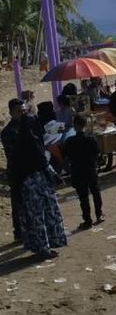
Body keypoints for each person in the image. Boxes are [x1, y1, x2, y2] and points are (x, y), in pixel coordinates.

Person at [1, 99, 67, 258]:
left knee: (48, 212)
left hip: (40, 176)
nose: (22, 114)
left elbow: (40, 152)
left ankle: (47, 244)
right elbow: (17, 158)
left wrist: (51, 173)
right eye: (19, 111)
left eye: (24, 111)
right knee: (35, 215)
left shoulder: (31, 127)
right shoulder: (10, 133)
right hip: (26, 179)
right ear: (11, 112)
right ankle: (42, 248)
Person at [62, 115, 104, 230]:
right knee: (95, 192)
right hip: (90, 169)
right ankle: (99, 214)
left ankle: (87, 220)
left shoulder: (70, 141)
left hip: (78, 171)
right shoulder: (91, 139)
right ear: (85, 125)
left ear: (74, 126)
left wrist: (68, 170)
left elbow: (65, 158)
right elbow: (97, 153)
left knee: (83, 197)